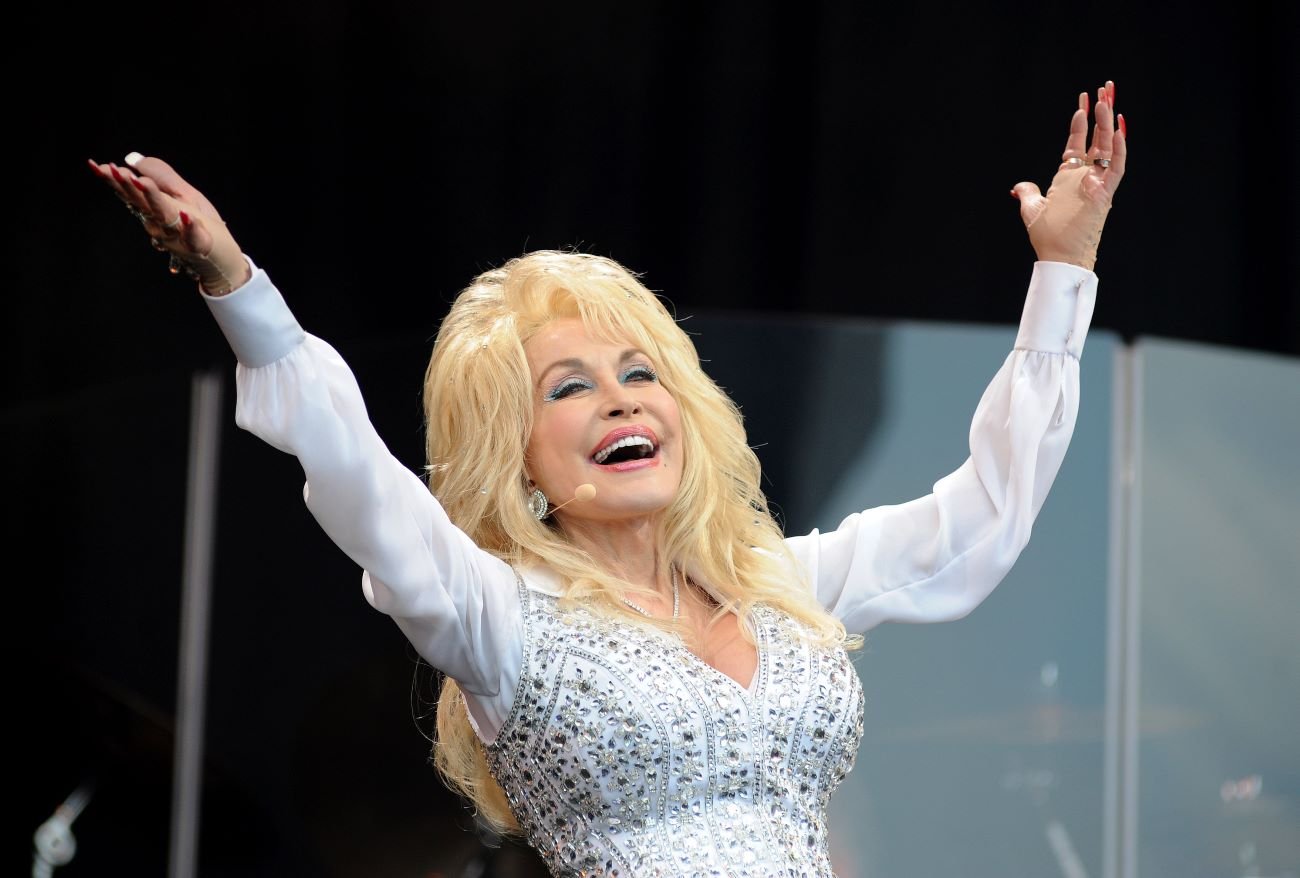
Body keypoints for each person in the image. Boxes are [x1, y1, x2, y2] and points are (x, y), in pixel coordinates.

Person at [90, 81, 1127, 877]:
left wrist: (1062, 274)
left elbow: (985, 515)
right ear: (518, 455)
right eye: (569, 388)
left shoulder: (785, 585)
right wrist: (239, 288)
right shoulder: (499, 617)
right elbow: (359, 477)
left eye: (640, 373)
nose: (622, 401)